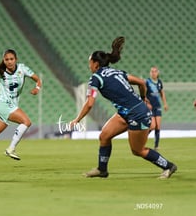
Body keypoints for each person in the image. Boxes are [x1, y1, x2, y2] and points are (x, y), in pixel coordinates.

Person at [70, 37, 177, 179]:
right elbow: (141, 82)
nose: (89, 65)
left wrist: (77, 119)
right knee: (104, 136)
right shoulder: (118, 72)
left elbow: (90, 103)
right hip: (127, 112)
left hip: (136, 114)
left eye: (90, 62)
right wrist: (143, 97)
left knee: (137, 150)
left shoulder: (96, 78)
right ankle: (102, 170)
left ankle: (169, 166)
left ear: (96, 64)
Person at [146, 66, 168, 150]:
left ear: (158, 73)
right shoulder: (147, 82)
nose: (153, 73)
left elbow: (162, 93)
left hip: (157, 106)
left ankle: (156, 145)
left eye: (155, 71)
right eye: (152, 71)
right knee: (152, 126)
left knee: (158, 126)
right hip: (150, 107)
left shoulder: (159, 82)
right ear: (150, 73)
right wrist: (147, 103)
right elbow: (144, 94)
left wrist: (165, 104)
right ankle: (143, 137)